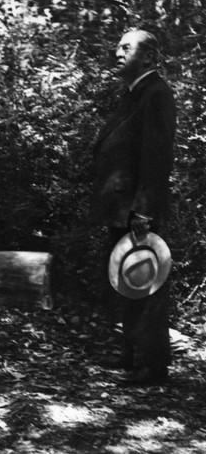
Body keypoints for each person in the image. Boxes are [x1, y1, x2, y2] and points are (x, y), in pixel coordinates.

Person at [91, 29, 177, 384]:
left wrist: (144, 209)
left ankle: (151, 366)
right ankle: (131, 356)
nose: (117, 52)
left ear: (148, 57)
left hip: (139, 209)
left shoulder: (156, 93)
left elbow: (156, 158)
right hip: (121, 206)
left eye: (126, 47)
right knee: (126, 283)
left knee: (147, 285)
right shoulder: (133, 93)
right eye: (117, 45)